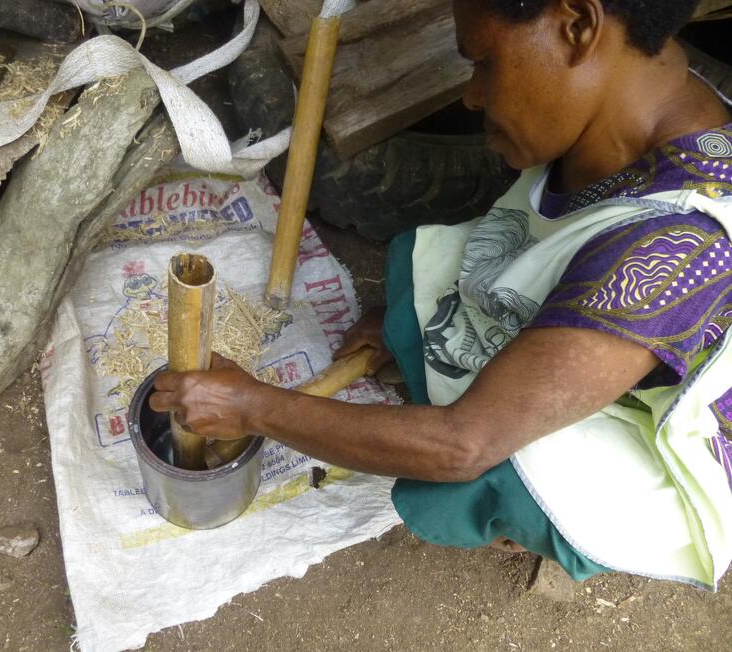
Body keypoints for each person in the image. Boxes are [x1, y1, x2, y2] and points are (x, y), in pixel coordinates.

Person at [150, 0, 732, 586]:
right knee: (430, 274)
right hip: (589, 329)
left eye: (483, 64)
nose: (471, 96)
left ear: (577, 27)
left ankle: (560, 527)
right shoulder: (637, 89)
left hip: (670, 444)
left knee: (491, 473)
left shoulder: (679, 244)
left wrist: (254, 407)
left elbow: (461, 445)